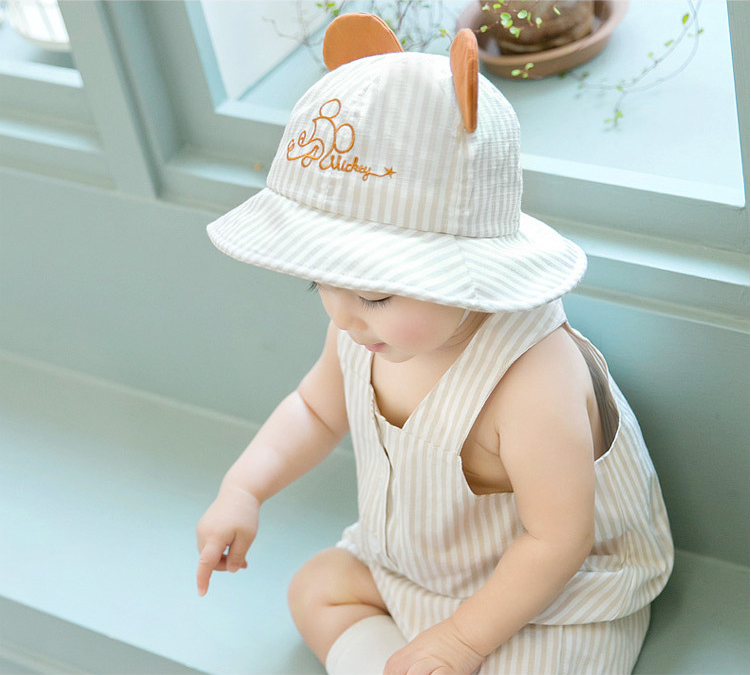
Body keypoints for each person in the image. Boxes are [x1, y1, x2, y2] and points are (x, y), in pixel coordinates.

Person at [196, 13, 673, 675]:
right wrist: (243, 489)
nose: (343, 315)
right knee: (314, 588)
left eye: (374, 295)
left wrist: (458, 643)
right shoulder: (361, 330)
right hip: (410, 568)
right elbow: (314, 410)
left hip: (544, 596)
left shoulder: (533, 378)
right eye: (319, 283)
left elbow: (558, 540)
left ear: (466, 267)